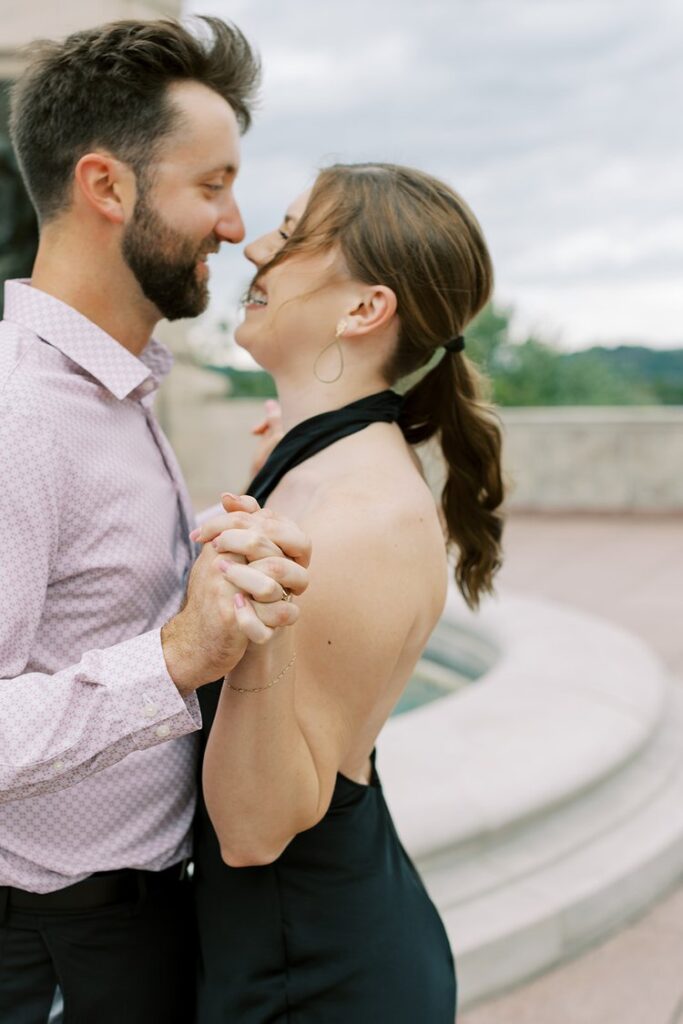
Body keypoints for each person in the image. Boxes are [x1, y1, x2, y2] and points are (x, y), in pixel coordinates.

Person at [0, 18, 311, 1024]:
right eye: (211, 185)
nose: (234, 226)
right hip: (52, 952)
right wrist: (176, 654)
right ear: (107, 187)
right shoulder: (19, 413)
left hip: (137, 923)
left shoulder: (118, 390)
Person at [192, 164, 505, 1023]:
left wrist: (263, 619)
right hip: (288, 946)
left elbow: (256, 831)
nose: (255, 247)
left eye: (290, 235)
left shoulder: (366, 518)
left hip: (313, 977)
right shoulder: (311, 464)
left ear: (363, 310)